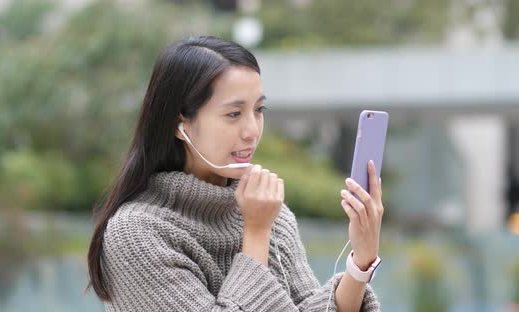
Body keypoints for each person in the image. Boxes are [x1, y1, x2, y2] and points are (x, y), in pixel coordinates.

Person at [86, 36, 384, 311]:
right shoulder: (137, 234)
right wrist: (254, 234)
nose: (252, 130)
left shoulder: (272, 217)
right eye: (233, 114)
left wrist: (361, 260)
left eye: (258, 110)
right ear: (181, 124)